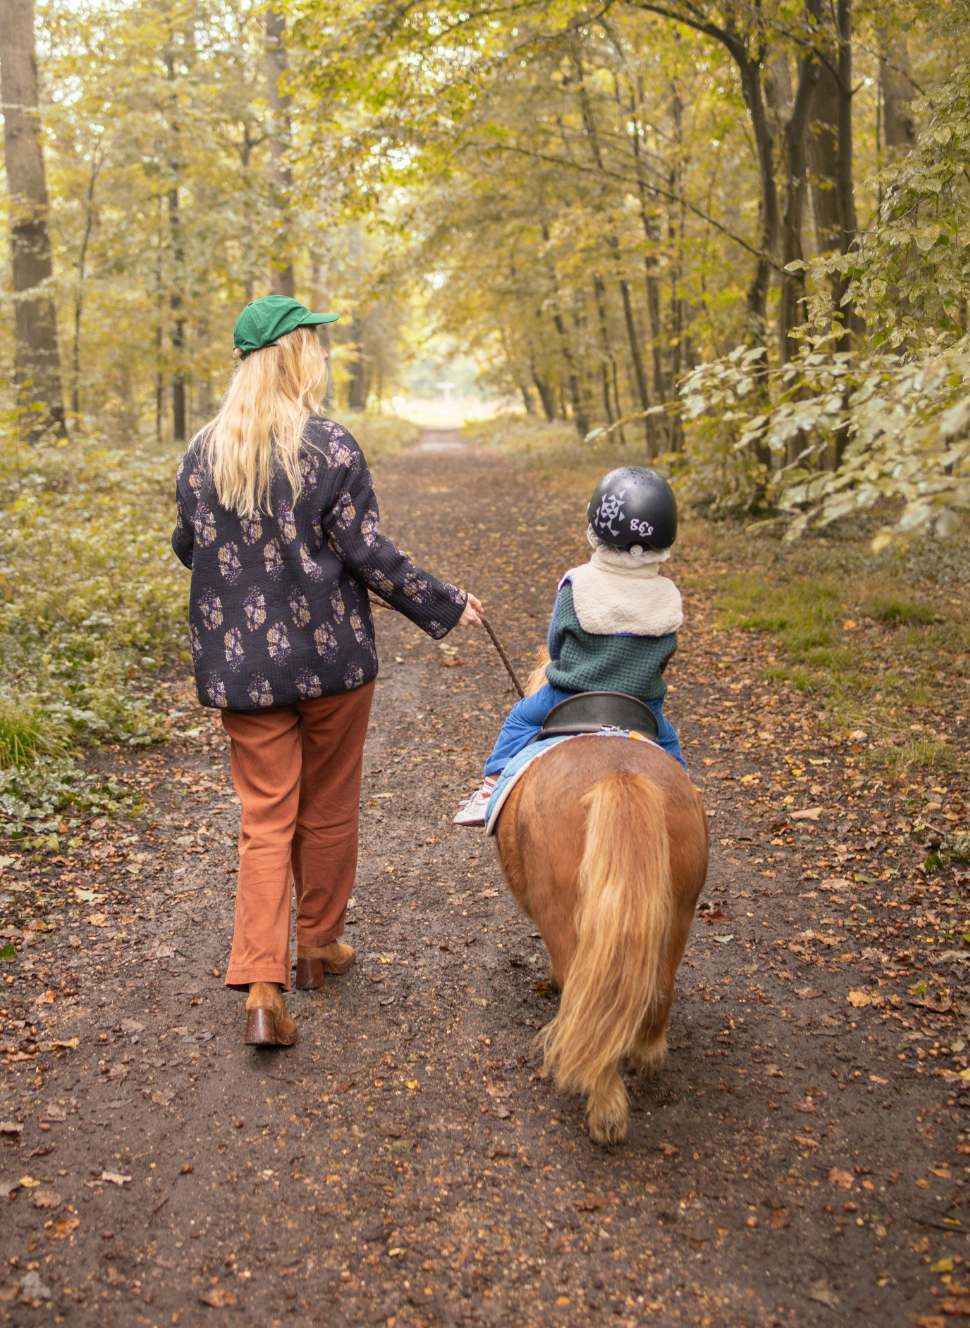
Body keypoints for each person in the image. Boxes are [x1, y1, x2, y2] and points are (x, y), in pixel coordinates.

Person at [172, 294, 482, 1046]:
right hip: (331, 661)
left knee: (264, 820)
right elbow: (367, 553)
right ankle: (316, 945)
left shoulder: (202, 453)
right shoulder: (331, 448)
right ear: (296, 355)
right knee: (330, 805)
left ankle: (262, 985)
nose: (322, 352)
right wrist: (446, 604)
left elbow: (189, 545)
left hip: (242, 674)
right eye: (315, 342)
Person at [454, 466, 684, 825]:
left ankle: (490, 789)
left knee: (520, 718)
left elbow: (556, 646)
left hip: (570, 700)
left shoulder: (577, 584)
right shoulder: (669, 597)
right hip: (642, 708)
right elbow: (663, 657)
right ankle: (685, 807)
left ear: (598, 530)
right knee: (671, 752)